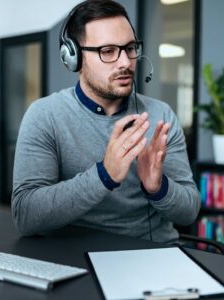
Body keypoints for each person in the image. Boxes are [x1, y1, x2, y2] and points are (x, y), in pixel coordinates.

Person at [11, 0, 200, 243]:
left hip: (152, 255)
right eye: (108, 51)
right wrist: (104, 175)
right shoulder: (44, 115)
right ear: (74, 57)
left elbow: (189, 212)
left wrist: (158, 187)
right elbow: (26, 216)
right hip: (73, 257)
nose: (125, 62)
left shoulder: (161, 115)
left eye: (130, 48)